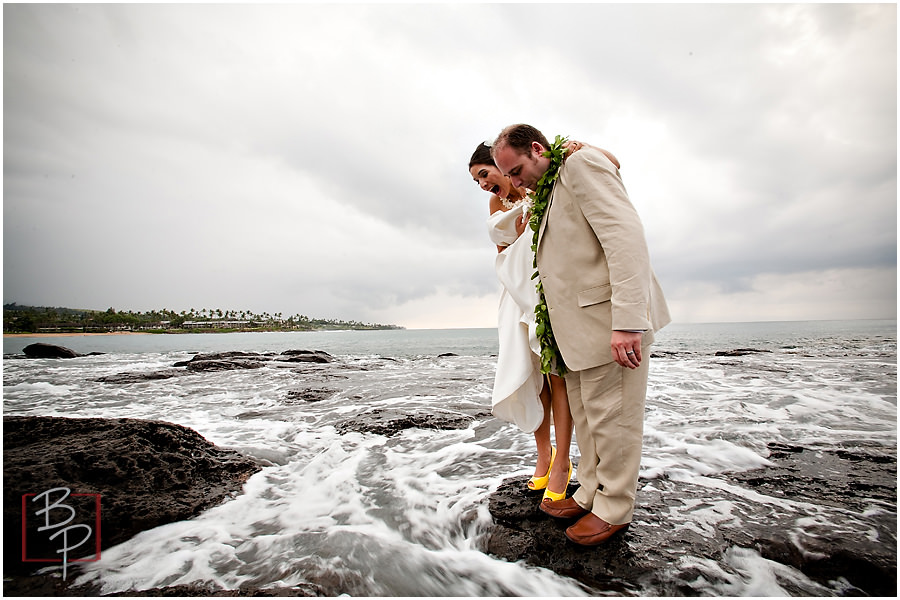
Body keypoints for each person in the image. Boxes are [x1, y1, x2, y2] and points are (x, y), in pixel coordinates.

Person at [491, 124, 670, 546]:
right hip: (574, 331)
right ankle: (590, 491)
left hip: (611, 322)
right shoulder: (548, 188)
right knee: (589, 419)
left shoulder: (580, 164)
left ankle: (614, 507)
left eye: (516, 171)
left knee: (615, 420)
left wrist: (628, 322)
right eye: (509, 176)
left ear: (537, 149)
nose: (514, 183)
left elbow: (624, 238)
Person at [469, 142, 576, 503]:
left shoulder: (538, 185)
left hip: (545, 291)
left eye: (484, 174)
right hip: (514, 295)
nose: (483, 185)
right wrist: (516, 232)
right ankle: (543, 454)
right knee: (532, 378)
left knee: (556, 374)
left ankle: (563, 460)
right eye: (476, 181)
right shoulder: (496, 203)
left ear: (501, 164)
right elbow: (501, 253)